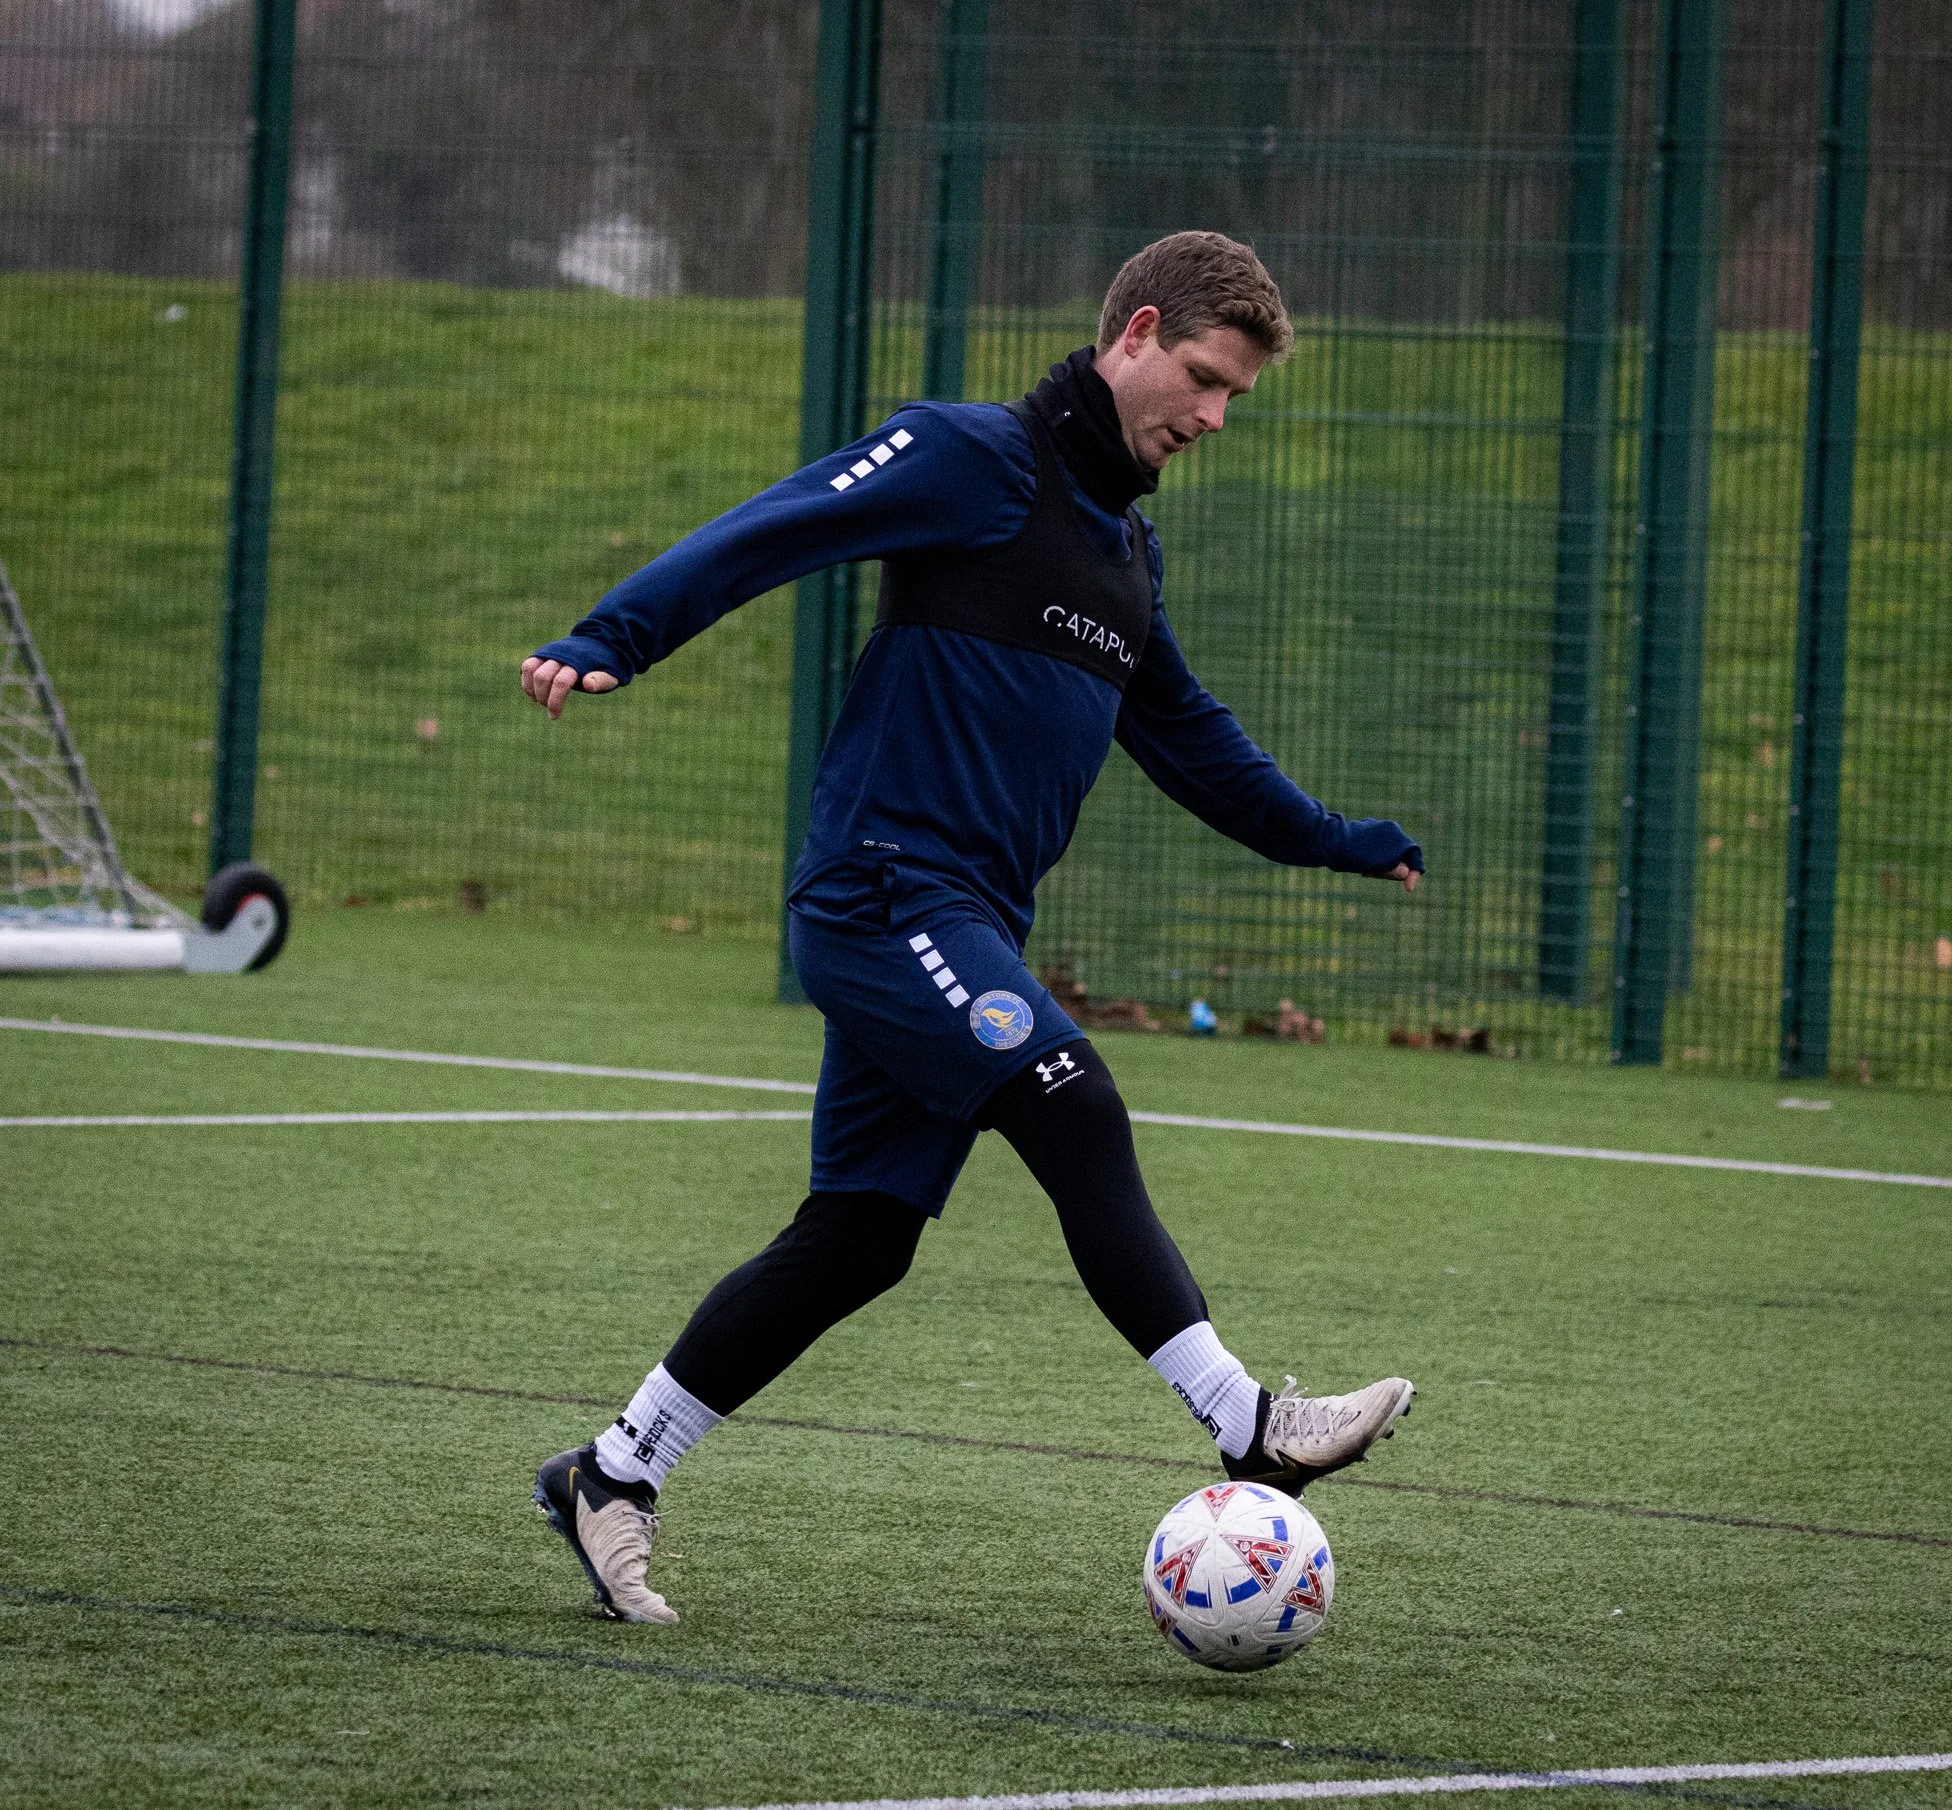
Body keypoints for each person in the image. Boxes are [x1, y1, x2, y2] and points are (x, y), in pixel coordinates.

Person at [519, 231, 1424, 1625]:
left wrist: (1338, 840)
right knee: (1070, 1092)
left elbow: (1190, 739)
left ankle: (614, 1471)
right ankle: (1247, 1421)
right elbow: (777, 525)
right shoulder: (972, 459)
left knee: (861, 1236)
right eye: (1200, 377)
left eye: (1237, 395)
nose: (1214, 416)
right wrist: (613, 636)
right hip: (885, 893)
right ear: (1131, 333)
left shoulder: (1126, 549)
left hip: (965, 919)